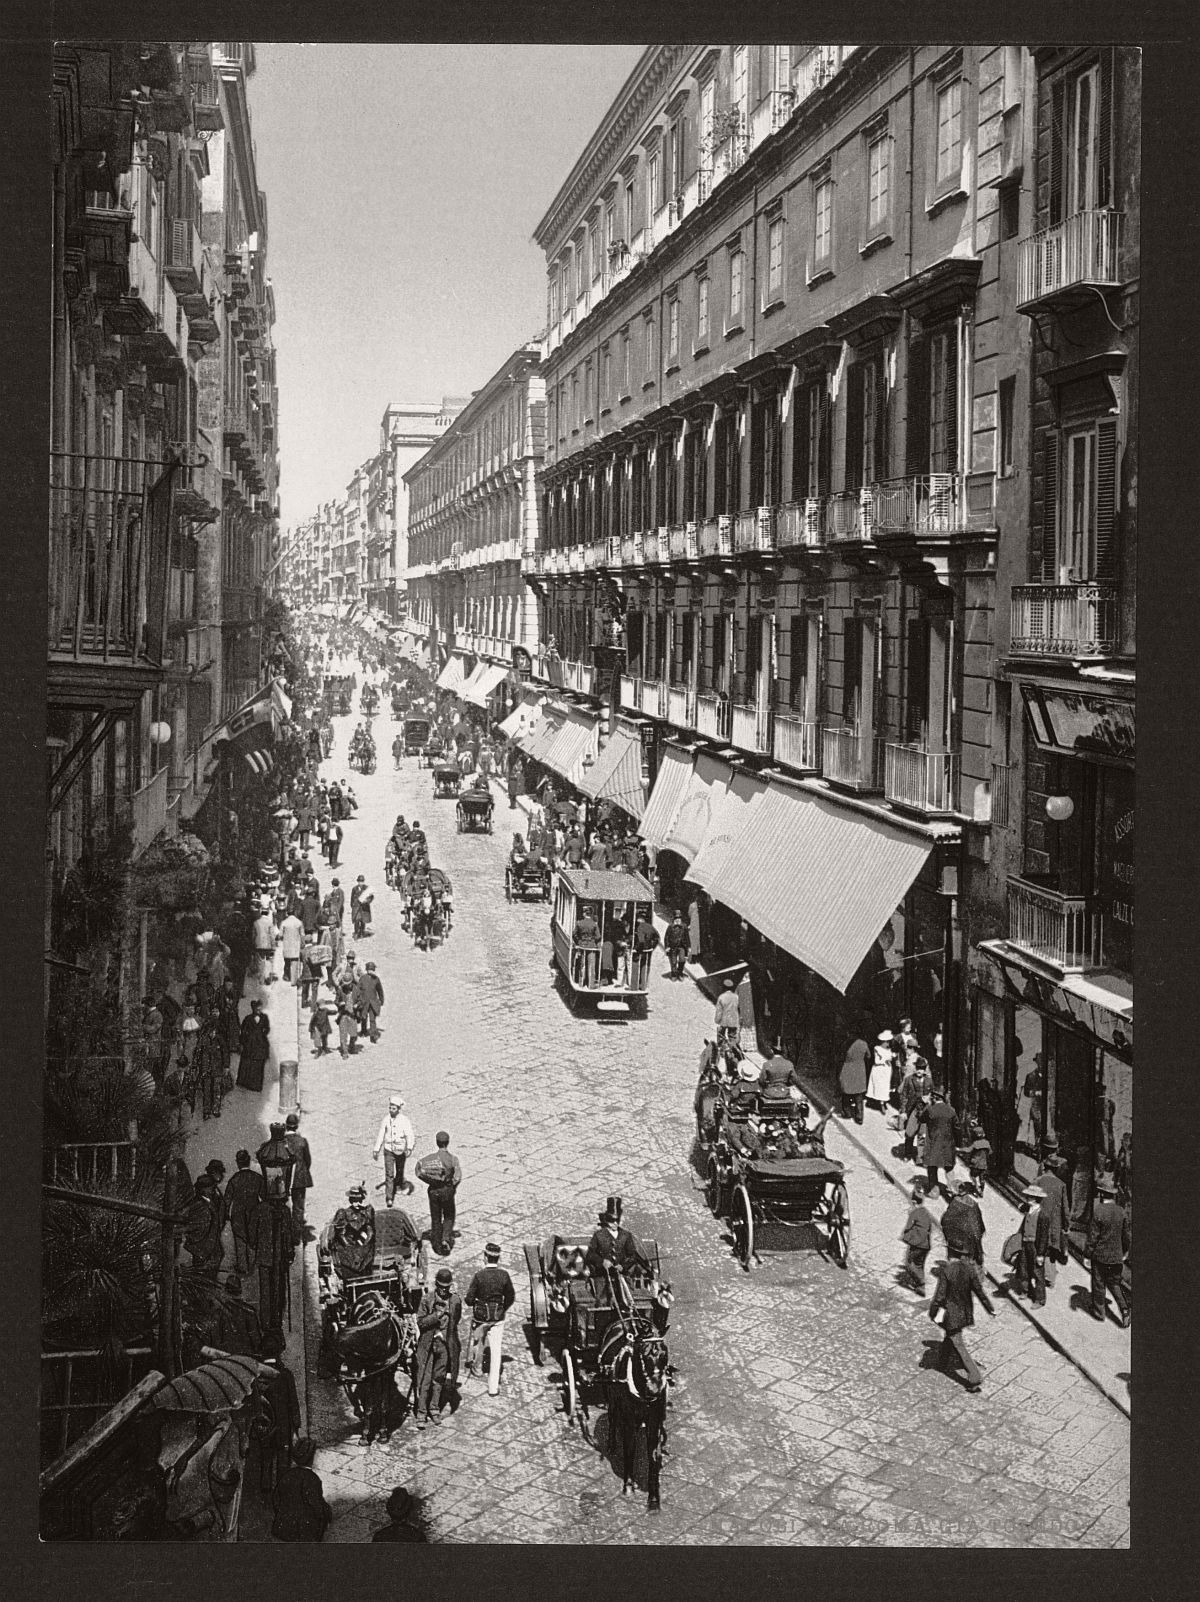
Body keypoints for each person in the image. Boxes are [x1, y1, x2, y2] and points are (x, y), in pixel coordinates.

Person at [929, 1244, 996, 1392]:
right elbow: (979, 1291)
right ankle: (942, 1362)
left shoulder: (947, 1271)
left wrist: (933, 1312)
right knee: (951, 1336)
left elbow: (939, 1296)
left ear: (951, 1253)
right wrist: (989, 1308)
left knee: (958, 1343)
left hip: (951, 1315)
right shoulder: (969, 1270)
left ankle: (974, 1377)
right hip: (964, 1313)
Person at [463, 1242, 517, 1396]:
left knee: (477, 1341)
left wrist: (472, 1301)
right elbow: (511, 1296)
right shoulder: (504, 1275)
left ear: (485, 1257)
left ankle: (477, 1368)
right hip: (497, 1319)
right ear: (498, 1258)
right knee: (496, 1351)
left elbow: (469, 1299)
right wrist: (502, 1309)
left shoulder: (479, 1276)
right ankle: (493, 1388)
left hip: (480, 1318)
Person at [412, 1268, 462, 1430]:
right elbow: (420, 1322)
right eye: (440, 1286)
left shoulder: (455, 1301)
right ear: (436, 1284)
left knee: (438, 1379)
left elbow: (456, 1321)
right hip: (428, 1346)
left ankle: (434, 1409)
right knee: (424, 1381)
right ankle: (421, 1412)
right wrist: (437, 1316)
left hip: (445, 1346)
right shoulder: (427, 1299)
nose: (443, 1290)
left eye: (446, 1287)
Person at [583, 1196, 650, 1299]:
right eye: (612, 1220)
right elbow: (590, 1255)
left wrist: (623, 1266)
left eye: (617, 1220)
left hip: (622, 1276)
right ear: (607, 1221)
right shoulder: (598, 1235)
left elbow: (632, 1255)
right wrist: (602, 1262)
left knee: (627, 1301)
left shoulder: (626, 1235)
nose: (615, 1223)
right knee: (602, 1303)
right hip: (602, 1277)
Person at [1087, 1174, 1131, 1326]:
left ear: (1101, 1194)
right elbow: (1126, 1236)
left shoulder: (1098, 1211)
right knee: (1114, 1284)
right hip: (1116, 1257)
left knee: (1098, 1283)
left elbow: (1093, 1237)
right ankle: (1124, 1309)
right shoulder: (1121, 1212)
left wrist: (1088, 1254)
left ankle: (1099, 1312)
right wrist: (1125, 1252)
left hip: (1100, 1257)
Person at [271, 1437, 331, 1542]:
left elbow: (276, 1498)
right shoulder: (312, 1479)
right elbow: (316, 1504)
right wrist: (327, 1514)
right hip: (304, 1530)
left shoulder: (287, 1475)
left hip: (285, 1527)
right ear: (312, 1459)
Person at [415, 1131, 461, 1256]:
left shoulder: (429, 1159)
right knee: (449, 1216)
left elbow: (419, 1171)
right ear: (448, 1142)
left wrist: (431, 1181)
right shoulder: (453, 1159)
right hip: (447, 1190)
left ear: (437, 1143)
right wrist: (451, 1187)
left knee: (436, 1217)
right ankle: (445, 1238)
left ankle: (436, 1243)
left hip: (434, 1191)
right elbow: (457, 1177)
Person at [1035, 1135, 1072, 1289]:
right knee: (1052, 1246)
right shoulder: (1064, 1164)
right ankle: (1050, 1276)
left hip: (1043, 1212)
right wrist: (1067, 1223)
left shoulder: (1043, 1167)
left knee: (1041, 1245)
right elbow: (1065, 1202)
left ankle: (1044, 1276)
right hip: (1056, 1214)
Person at [223, 1150, 265, 1275]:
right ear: (248, 1161)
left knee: (240, 1240)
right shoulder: (257, 1178)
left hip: (238, 1214)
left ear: (238, 1163)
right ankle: (252, 1266)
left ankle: (242, 1267)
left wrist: (226, 1214)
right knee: (253, 1239)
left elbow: (227, 1199)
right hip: (254, 1213)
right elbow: (264, 1197)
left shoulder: (234, 1179)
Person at [373, 1093, 416, 1204]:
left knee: (400, 1170)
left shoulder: (404, 1120)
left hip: (400, 1150)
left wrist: (409, 1147)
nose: (391, 1110)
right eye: (390, 1108)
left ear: (398, 1109)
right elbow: (381, 1134)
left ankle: (399, 1183)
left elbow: (409, 1135)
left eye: (394, 1108)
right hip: (388, 1150)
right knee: (389, 1174)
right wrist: (376, 1149)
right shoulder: (386, 1120)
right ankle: (389, 1197)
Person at [1013, 1184, 1050, 1306]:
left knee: (1037, 1272)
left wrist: (1041, 1254)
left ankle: (1040, 1299)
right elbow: (1020, 1206)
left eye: (1029, 1196)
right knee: (1023, 1268)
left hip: (1035, 1246)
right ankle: (1026, 1290)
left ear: (1035, 1199)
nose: (1027, 1198)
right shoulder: (1029, 1209)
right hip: (1025, 1243)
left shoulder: (1043, 1215)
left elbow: (1044, 1237)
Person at [919, 1088, 960, 1192]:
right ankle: (953, 1191)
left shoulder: (930, 1110)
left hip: (934, 1143)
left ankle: (934, 1192)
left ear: (933, 1098)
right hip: (948, 1144)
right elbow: (957, 1128)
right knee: (949, 1168)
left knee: (932, 1168)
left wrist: (926, 1104)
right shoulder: (951, 1110)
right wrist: (957, 1143)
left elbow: (921, 1118)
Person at [185, 1174, 224, 1281]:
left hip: (209, 1247)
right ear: (203, 1189)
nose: (213, 1190)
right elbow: (196, 1228)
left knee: (207, 1277)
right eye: (211, 1188)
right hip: (204, 1248)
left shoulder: (208, 1201)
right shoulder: (199, 1204)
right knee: (202, 1278)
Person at [941, 1177, 986, 1267]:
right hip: (974, 1242)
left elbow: (945, 1221)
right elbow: (980, 1224)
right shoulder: (973, 1203)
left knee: (959, 1265)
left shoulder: (955, 1204)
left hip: (959, 1243)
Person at [900, 1180, 935, 1293]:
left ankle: (921, 1283)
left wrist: (905, 1236)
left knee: (909, 1263)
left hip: (917, 1244)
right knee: (919, 1264)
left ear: (914, 1201)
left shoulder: (914, 1213)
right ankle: (920, 1283)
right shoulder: (926, 1212)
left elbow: (908, 1227)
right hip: (926, 1244)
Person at [284, 1112, 313, 1236]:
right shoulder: (302, 1141)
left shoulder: (282, 1141)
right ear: (296, 1126)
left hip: (285, 1177)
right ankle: (296, 1235)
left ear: (286, 1126)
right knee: (299, 1207)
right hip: (300, 1177)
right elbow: (308, 1160)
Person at [237, 999, 271, 1092]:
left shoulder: (264, 1017)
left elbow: (267, 1028)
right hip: (250, 1044)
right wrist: (242, 1043)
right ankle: (246, 1083)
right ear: (253, 1009)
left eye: (260, 1009)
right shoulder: (248, 1019)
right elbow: (243, 1032)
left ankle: (256, 1086)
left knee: (259, 1065)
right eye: (257, 1009)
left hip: (260, 1044)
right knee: (248, 1064)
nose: (258, 1010)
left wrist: (263, 1032)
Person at [838, 1030, 871, 1124]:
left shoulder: (846, 1043)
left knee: (846, 1092)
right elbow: (868, 1056)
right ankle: (859, 1117)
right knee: (859, 1095)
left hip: (848, 1069)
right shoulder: (864, 1043)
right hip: (860, 1070)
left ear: (849, 1033)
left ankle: (847, 1113)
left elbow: (840, 1055)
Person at [353, 962, 385, 1042]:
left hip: (372, 1002)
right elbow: (358, 990)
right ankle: (364, 1031)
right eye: (369, 969)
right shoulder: (363, 978)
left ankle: (373, 1035)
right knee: (364, 1017)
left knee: (372, 1019)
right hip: (364, 1002)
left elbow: (380, 990)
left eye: (371, 969)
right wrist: (356, 1000)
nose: (370, 971)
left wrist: (381, 1000)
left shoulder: (376, 979)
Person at [572, 903, 601, 988]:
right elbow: (598, 936)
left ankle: (581, 983)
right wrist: (593, 941)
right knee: (591, 966)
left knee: (582, 965)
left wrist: (578, 941)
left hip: (582, 946)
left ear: (584, 914)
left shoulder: (579, 923)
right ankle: (591, 985)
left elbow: (574, 934)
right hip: (591, 946)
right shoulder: (594, 924)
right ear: (590, 914)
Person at [631, 907, 660, 988]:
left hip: (641, 951)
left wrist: (635, 949)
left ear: (639, 919)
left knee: (635, 966)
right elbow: (657, 937)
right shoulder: (650, 926)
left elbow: (641, 941)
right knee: (645, 966)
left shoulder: (640, 927)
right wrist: (652, 947)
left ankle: (634, 986)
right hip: (648, 950)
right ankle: (643, 985)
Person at [867, 1030, 895, 1111]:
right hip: (879, 1069)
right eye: (886, 1042)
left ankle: (883, 1102)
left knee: (885, 1087)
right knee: (878, 1086)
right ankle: (879, 1102)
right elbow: (877, 1061)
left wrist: (892, 1057)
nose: (887, 1044)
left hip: (886, 1070)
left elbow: (890, 1057)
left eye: (888, 1042)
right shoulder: (877, 1048)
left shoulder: (888, 1049)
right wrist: (885, 1060)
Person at [253, 903, 277, 983]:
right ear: (267, 913)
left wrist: (253, 944)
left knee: (260, 961)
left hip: (259, 944)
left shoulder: (256, 922)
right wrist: (273, 945)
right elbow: (272, 935)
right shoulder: (270, 922)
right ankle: (267, 977)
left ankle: (261, 978)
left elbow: (253, 935)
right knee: (268, 961)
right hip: (268, 945)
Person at [714, 977, 740, 1047]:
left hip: (724, 1021)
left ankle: (722, 1049)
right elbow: (739, 1009)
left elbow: (719, 1011)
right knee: (732, 1038)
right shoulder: (736, 997)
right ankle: (732, 1050)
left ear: (724, 987)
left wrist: (717, 1020)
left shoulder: (721, 997)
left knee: (721, 1036)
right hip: (734, 1021)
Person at [664, 910, 690, 979]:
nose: (678, 920)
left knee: (682, 960)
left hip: (682, 946)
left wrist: (689, 946)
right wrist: (667, 946)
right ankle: (674, 974)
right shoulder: (670, 926)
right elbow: (666, 937)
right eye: (676, 918)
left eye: (679, 918)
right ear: (674, 919)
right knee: (673, 961)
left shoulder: (684, 926)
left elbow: (687, 937)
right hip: (672, 947)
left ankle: (680, 972)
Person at [279, 910, 303, 984]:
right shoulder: (299, 922)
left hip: (287, 945)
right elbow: (302, 934)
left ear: (287, 913)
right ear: (294, 913)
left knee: (287, 961)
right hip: (295, 945)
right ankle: (294, 980)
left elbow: (280, 935)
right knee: (295, 962)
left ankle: (287, 976)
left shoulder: (284, 922)